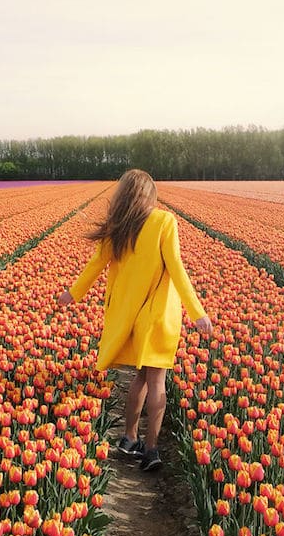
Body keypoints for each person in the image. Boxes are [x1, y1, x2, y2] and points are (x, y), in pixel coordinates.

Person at [57, 169, 213, 471]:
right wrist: (197, 312)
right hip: (159, 317)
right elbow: (177, 269)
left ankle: (129, 438)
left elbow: (95, 266)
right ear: (149, 195)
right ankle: (152, 449)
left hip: (130, 316)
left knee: (141, 377)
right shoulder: (164, 221)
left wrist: (72, 294)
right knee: (157, 381)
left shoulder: (118, 228)